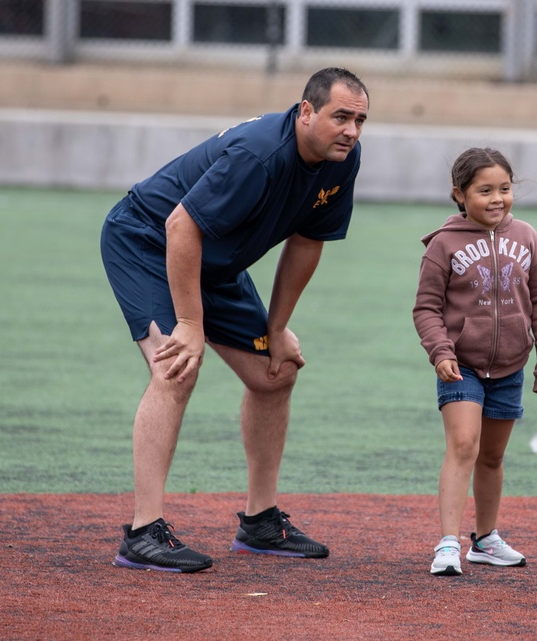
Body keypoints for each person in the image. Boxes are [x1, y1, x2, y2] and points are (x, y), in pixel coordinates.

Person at [100, 67, 369, 573]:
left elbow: (308, 241)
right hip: (148, 241)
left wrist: (276, 327)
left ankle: (261, 522)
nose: (352, 131)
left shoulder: (342, 160)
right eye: (341, 117)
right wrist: (189, 324)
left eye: (360, 120)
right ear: (306, 111)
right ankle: (143, 531)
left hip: (213, 261)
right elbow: (180, 225)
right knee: (175, 365)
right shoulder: (260, 154)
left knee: (277, 372)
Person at [413, 147, 537, 576]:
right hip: (461, 364)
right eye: (485, 190)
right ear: (459, 194)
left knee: (492, 458)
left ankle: (485, 540)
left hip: (511, 366)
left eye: (505, 188)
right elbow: (425, 308)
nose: (497, 199)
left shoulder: (528, 238)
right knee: (463, 446)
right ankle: (447, 545)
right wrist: (440, 351)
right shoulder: (443, 244)